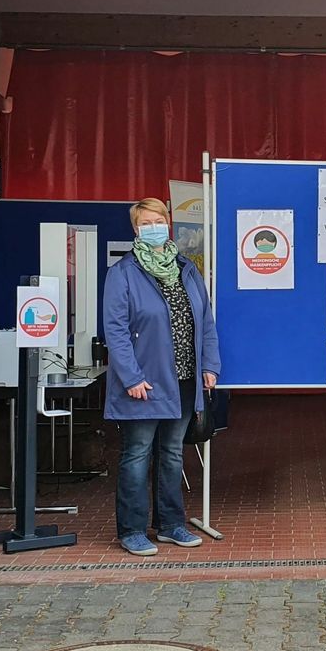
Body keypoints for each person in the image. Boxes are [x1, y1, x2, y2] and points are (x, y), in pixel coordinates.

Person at [103, 197, 220, 556]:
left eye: (159, 220)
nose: (154, 227)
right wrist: (131, 377)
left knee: (171, 453)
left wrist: (210, 365)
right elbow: (116, 330)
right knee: (137, 454)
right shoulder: (123, 272)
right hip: (144, 383)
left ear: (168, 224)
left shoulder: (187, 268)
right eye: (145, 223)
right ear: (136, 230)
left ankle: (171, 526)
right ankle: (132, 530)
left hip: (184, 380)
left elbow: (206, 322)